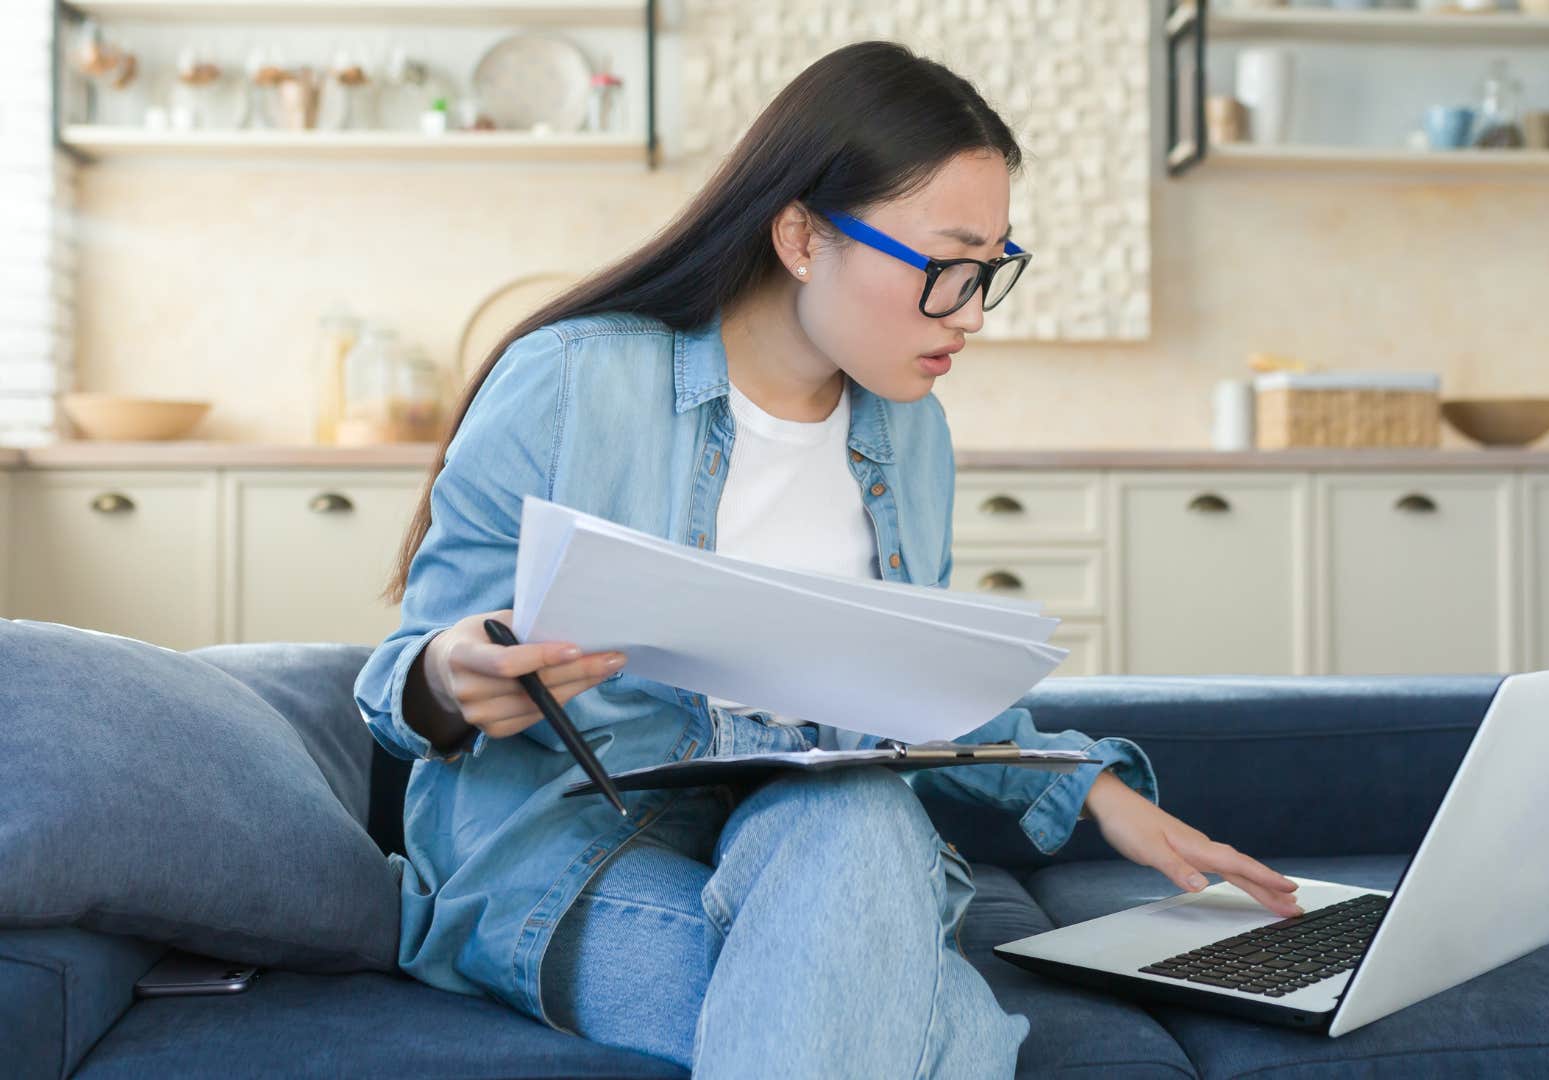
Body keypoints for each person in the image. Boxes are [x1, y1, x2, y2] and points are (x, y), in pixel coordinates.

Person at [353, 39, 1300, 1079]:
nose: (973, 314)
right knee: (935, 1035)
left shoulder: (912, 436)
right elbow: (404, 674)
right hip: (569, 851)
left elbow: (905, 676)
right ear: (803, 236)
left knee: (854, 810)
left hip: (817, 842)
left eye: (991, 272)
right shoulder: (573, 382)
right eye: (946, 268)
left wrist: (1096, 792)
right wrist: (457, 671)